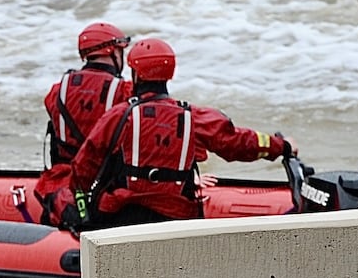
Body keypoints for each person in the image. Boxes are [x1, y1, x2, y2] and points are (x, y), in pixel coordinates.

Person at [68, 37, 295, 230]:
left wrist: (82, 204)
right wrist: (281, 146)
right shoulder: (192, 117)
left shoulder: (118, 116)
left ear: (135, 74)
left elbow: (82, 168)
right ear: (171, 73)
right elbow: (237, 142)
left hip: (121, 219)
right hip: (176, 220)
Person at [32, 22, 133, 225]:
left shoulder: (58, 90)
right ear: (112, 51)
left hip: (62, 181)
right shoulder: (125, 91)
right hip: (104, 184)